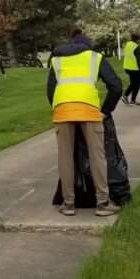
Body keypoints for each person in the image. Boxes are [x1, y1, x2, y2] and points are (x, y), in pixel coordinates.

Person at [46, 28, 123, 217]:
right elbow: (115, 86)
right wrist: (105, 110)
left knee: (65, 157)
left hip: (63, 110)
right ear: (88, 44)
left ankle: (68, 204)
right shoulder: (95, 57)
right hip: (89, 109)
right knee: (97, 157)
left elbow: (50, 90)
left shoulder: (57, 60)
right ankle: (103, 203)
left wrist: (59, 106)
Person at [121, 32, 140, 106]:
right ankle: (126, 96)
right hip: (135, 68)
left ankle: (132, 100)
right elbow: (139, 60)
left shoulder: (127, 45)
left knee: (133, 83)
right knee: (136, 84)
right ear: (137, 40)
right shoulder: (136, 47)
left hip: (128, 67)